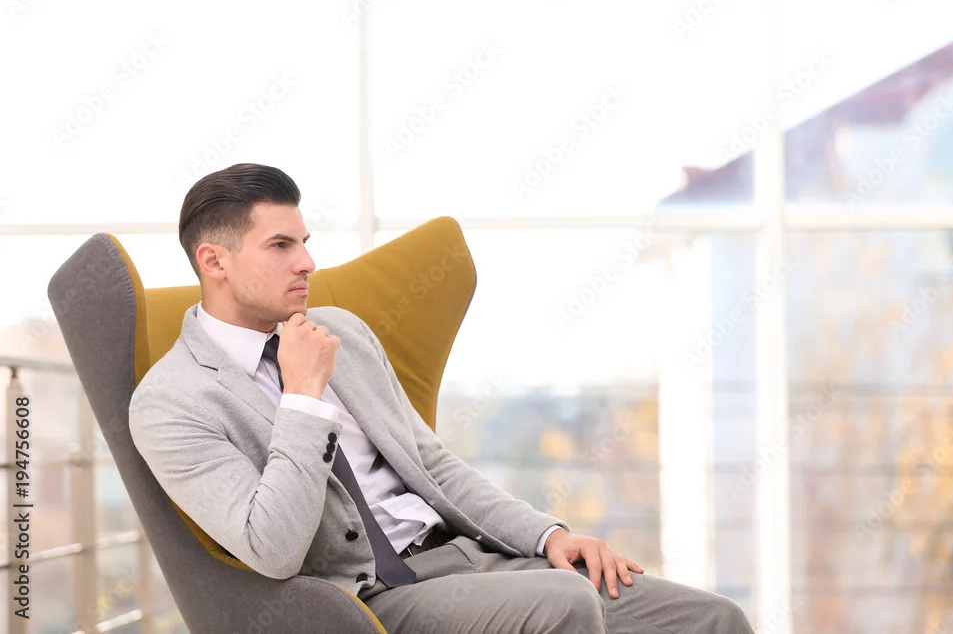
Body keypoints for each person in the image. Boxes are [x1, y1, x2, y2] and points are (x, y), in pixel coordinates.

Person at [129, 163, 755, 633]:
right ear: (214, 261)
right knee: (565, 603)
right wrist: (303, 397)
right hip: (372, 599)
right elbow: (272, 547)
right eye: (281, 245)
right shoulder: (171, 402)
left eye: (305, 240)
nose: (308, 262)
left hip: (466, 558)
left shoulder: (341, 331)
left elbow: (433, 466)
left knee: (711, 619)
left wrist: (547, 536)